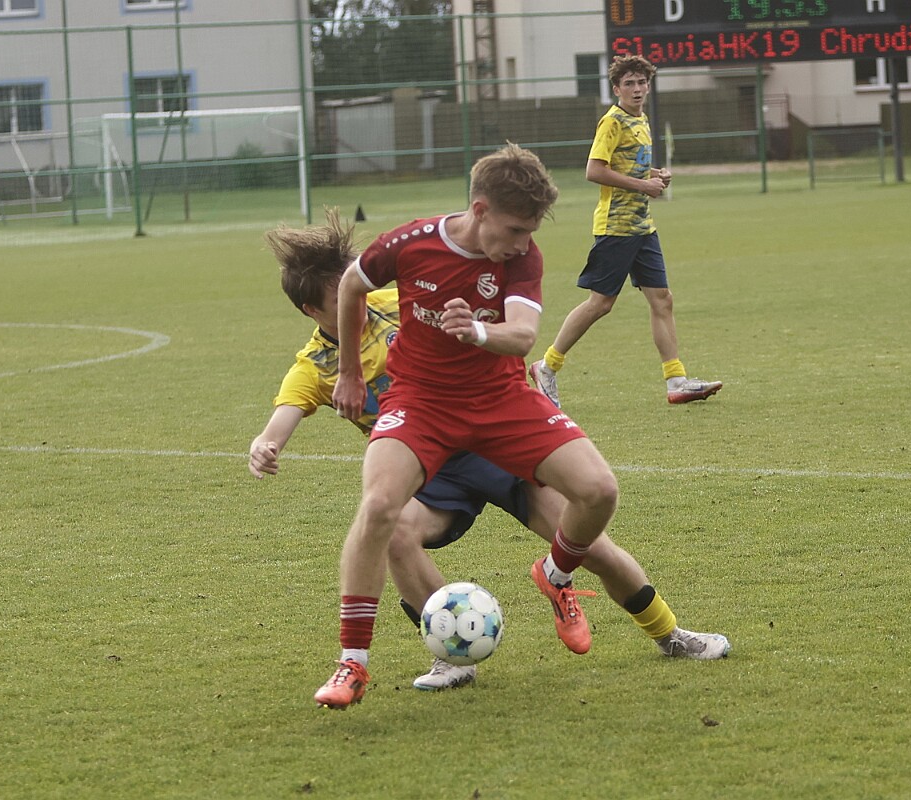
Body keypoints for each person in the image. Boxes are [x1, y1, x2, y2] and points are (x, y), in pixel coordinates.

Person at [249, 209, 730, 697]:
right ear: (312, 311)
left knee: (593, 547)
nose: (360, 301)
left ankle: (669, 634)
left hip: (493, 439)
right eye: (340, 300)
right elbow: (282, 419)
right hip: (432, 468)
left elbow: (490, 312)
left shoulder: (400, 299)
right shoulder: (315, 366)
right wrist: (266, 445)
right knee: (393, 531)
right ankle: (450, 654)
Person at [529, 54, 722, 408]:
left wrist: (655, 175)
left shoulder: (641, 119)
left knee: (662, 299)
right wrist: (643, 185)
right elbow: (594, 170)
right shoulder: (612, 122)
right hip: (616, 227)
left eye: (641, 82)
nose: (637, 89)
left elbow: (630, 167)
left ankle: (676, 381)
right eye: (629, 83)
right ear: (616, 88)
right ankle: (547, 366)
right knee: (600, 304)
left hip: (642, 226)